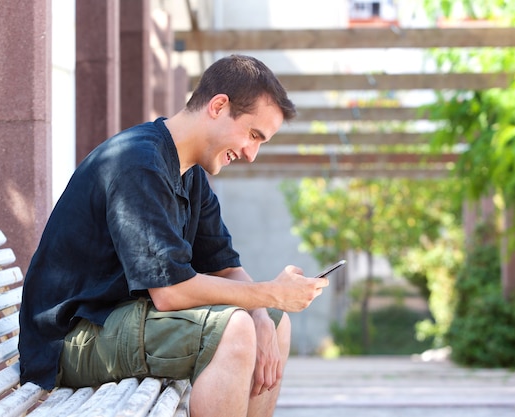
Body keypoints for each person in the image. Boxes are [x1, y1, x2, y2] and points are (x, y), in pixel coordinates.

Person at [18, 54, 329, 417]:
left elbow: (224, 268)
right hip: (71, 340)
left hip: (122, 321)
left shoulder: (191, 174)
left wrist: (264, 309)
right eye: (252, 134)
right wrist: (269, 293)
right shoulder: (138, 162)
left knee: (273, 325)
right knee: (235, 330)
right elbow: (170, 293)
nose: (251, 154)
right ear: (218, 106)